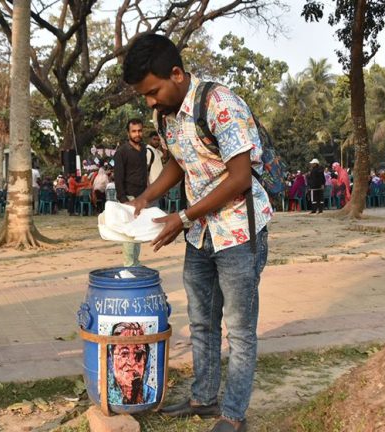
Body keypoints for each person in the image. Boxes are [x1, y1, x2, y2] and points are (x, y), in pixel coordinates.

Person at [123, 33, 271, 432]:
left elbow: (240, 177)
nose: (151, 102)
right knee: (203, 320)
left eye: (153, 91)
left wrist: (183, 218)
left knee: (239, 331)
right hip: (200, 235)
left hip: (240, 231)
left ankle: (234, 415)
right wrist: (147, 197)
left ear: (176, 73)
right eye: (145, 96)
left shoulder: (220, 104)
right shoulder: (164, 115)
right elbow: (180, 163)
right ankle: (204, 398)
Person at [114, 118, 148, 267]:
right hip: (128, 196)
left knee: (138, 231)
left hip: (142, 196)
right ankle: (129, 264)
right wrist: (123, 199)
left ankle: (136, 262)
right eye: (134, 131)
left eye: (139, 130)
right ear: (128, 133)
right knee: (129, 232)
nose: (137, 134)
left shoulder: (144, 149)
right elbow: (118, 177)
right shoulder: (122, 152)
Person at [107, 322, 156, 405]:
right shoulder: (105, 393)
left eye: (139, 354)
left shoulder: (151, 395)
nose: (132, 363)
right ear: (111, 358)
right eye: (124, 354)